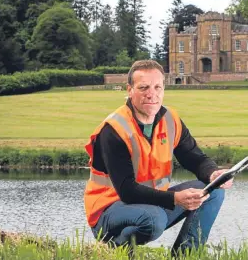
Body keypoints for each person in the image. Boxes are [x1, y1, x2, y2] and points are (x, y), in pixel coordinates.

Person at [83, 59, 233, 257]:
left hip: (151, 204)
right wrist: (175, 199)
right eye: (143, 87)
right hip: (108, 211)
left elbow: (194, 158)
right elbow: (127, 190)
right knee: (154, 220)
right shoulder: (114, 129)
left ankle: (185, 255)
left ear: (164, 89)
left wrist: (213, 173)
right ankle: (116, 249)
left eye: (157, 87)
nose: (151, 94)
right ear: (129, 90)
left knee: (212, 192)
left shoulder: (170, 119)